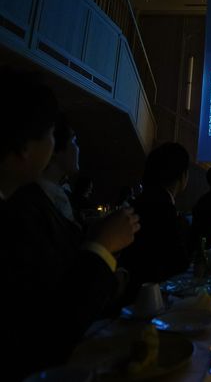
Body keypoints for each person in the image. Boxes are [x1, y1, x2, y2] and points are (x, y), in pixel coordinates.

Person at [0, 67, 140, 380]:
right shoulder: (20, 213)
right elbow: (45, 329)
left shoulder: (25, 202)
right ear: (24, 146)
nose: (61, 144)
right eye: (52, 134)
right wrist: (101, 248)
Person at [120, 142, 192, 299]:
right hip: (152, 297)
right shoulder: (164, 208)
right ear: (182, 175)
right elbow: (178, 263)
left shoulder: (139, 202)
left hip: (131, 293)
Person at [39, 112, 81, 226]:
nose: (78, 148)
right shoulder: (44, 199)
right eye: (74, 141)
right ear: (54, 149)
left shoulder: (53, 193)